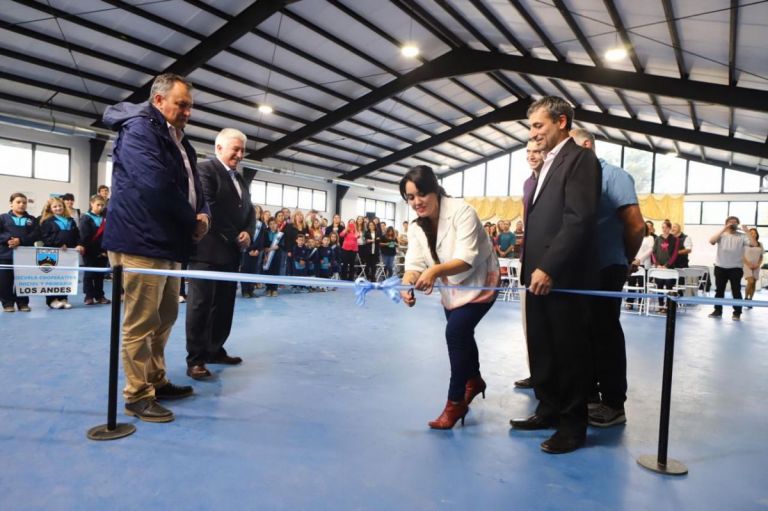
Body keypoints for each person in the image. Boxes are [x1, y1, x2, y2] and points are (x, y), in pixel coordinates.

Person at [102, 73, 210, 423]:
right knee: (140, 322)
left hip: (167, 242)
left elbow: (196, 185)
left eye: (190, 106)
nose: (187, 112)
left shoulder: (180, 140)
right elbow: (155, 186)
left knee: (165, 317)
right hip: (140, 240)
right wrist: (192, 220)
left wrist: (204, 214)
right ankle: (136, 395)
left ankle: (155, 380)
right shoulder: (139, 130)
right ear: (159, 100)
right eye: (182, 104)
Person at [509, 96, 601, 455]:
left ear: (561, 122)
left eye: (538, 126)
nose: (533, 133)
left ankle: (572, 425)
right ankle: (547, 409)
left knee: (568, 351)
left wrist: (549, 266)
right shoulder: (545, 165)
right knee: (542, 347)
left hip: (561, 275)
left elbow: (578, 219)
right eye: (531, 126)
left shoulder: (580, 159)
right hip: (535, 274)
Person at [399, 166, 499, 430]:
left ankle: (455, 403)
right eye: (410, 197)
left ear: (435, 190)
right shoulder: (416, 227)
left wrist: (433, 271)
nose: (416, 202)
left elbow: (466, 258)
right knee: (462, 334)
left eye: (421, 194)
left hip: (480, 281)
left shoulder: (462, 211)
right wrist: (407, 284)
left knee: (455, 333)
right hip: (451, 287)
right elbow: (414, 262)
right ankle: (474, 380)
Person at [570, 128, 645, 428]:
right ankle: (589, 396)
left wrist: (624, 259)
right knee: (583, 332)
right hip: (581, 269)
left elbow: (636, 226)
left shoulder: (614, 176)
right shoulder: (576, 179)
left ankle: (614, 403)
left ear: (587, 145)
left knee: (605, 332)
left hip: (608, 266)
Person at [185, 128, 254, 380]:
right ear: (219, 148)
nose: (239, 154)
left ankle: (215, 350)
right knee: (200, 306)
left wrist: (249, 231)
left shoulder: (241, 179)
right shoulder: (205, 170)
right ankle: (196, 359)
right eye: (235, 149)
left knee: (225, 305)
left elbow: (251, 211)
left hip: (231, 253)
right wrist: (236, 234)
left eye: (242, 150)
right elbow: (210, 206)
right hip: (206, 252)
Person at [513, 139, 546, 390]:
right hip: (527, 261)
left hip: (547, 264)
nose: (532, 156)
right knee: (530, 326)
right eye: (528, 152)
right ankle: (536, 373)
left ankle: (550, 378)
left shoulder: (552, 180)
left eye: (537, 151)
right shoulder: (527, 183)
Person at [40, 197, 85, 310]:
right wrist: (58, 244)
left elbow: (77, 235)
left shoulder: (70, 220)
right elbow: (45, 238)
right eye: (55, 206)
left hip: (68, 254)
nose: (58, 208)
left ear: (64, 207)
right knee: (52, 277)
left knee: (65, 276)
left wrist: (79, 244)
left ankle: (63, 298)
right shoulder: (47, 221)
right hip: (52, 253)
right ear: (50, 208)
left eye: (60, 206)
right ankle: (52, 300)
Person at [708, 216, 755, 320]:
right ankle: (717, 310)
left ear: (737, 224)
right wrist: (724, 229)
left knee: (736, 291)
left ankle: (737, 312)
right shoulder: (721, 235)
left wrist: (747, 231)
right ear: (726, 224)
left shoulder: (742, 236)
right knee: (719, 290)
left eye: (735, 222)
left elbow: (753, 244)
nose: (732, 224)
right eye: (730, 222)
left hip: (736, 268)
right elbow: (711, 241)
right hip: (720, 267)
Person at [0, 193, 39, 312]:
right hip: (5, 255)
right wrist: (10, 239)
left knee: (23, 280)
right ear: (11, 203)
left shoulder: (32, 219)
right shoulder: (3, 218)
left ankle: (23, 303)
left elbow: (36, 234)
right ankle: (7, 304)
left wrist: (20, 240)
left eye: (24, 202)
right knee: (5, 281)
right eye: (18, 202)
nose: (21, 205)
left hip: (25, 255)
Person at [79, 194, 110, 306]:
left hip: (103, 251)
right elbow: (85, 236)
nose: (100, 207)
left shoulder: (105, 218)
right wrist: (95, 251)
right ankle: (89, 296)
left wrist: (105, 251)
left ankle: (100, 296)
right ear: (91, 204)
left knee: (100, 275)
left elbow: (108, 235)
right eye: (98, 205)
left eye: (102, 205)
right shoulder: (85, 217)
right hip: (89, 251)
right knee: (89, 274)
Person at [650, 219, 679, 312]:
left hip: (669, 268)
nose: (664, 229)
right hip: (659, 268)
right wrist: (657, 264)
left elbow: (675, 254)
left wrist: (667, 265)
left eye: (666, 227)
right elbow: (653, 253)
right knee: (659, 287)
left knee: (669, 287)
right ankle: (661, 305)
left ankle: (668, 306)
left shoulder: (675, 239)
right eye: (662, 227)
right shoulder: (658, 239)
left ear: (669, 228)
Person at [743, 228, 763, 306]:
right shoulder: (745, 243)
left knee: (754, 283)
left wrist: (758, 264)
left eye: (755, 233)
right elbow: (742, 256)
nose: (753, 234)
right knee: (750, 281)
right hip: (747, 265)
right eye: (751, 233)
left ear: (757, 234)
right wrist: (748, 264)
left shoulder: (760, 244)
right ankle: (746, 298)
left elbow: (761, 257)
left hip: (756, 265)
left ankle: (750, 300)